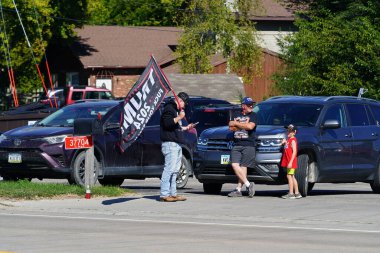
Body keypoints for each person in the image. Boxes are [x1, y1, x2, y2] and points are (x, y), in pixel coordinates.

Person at [159, 92, 196, 202]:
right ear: (180, 100)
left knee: (175, 170)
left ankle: (173, 193)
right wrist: (179, 116)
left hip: (176, 144)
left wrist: (186, 127)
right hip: (170, 144)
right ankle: (164, 194)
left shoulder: (175, 109)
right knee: (169, 169)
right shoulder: (169, 108)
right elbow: (167, 124)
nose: (185, 106)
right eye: (185, 103)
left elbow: (175, 127)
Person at [227, 96, 257, 198]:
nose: (251, 106)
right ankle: (249, 185)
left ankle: (238, 189)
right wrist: (238, 124)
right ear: (243, 105)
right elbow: (230, 127)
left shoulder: (253, 115)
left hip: (248, 144)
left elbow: (250, 127)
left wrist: (236, 123)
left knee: (243, 167)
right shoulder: (236, 114)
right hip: (237, 144)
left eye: (252, 104)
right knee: (235, 165)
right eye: (249, 104)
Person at [281, 124, 302, 199]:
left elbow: (294, 152)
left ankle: (291, 193)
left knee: (289, 176)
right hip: (288, 161)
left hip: (291, 162)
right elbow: (287, 148)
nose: (288, 132)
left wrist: (290, 162)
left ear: (294, 132)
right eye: (288, 131)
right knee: (292, 176)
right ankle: (297, 193)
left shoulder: (293, 140)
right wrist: (284, 143)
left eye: (290, 131)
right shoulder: (289, 140)